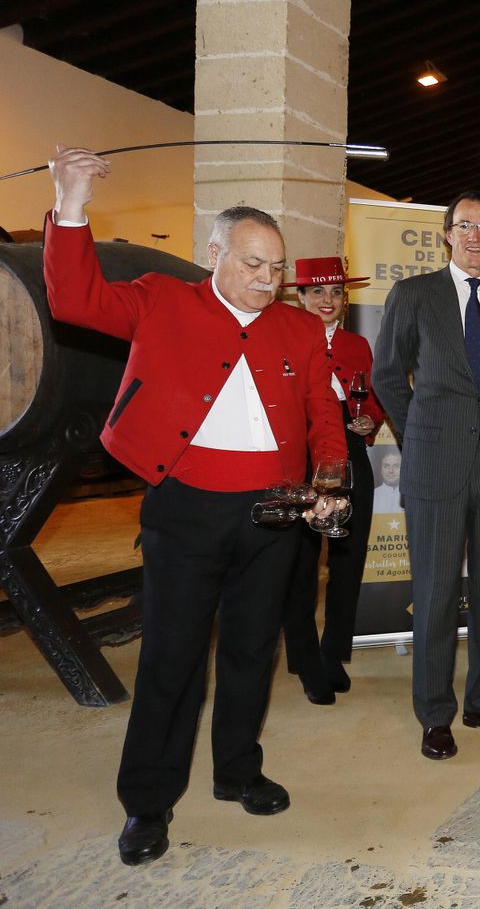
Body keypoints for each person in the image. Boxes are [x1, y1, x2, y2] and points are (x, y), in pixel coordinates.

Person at [43, 147, 346, 866]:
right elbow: (74, 300)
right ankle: (147, 801)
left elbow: (321, 414)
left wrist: (330, 480)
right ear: (214, 255)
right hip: (185, 509)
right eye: (253, 263)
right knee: (171, 657)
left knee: (251, 648)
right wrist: (72, 203)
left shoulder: (301, 330)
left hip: (274, 511)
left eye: (276, 268)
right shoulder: (161, 299)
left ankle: (237, 770)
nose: (268, 280)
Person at [372, 190, 480, 761]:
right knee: (436, 596)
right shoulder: (414, 295)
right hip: (434, 469)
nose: (475, 236)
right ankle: (435, 714)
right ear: (447, 234)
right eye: (465, 225)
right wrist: (421, 434)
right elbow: (387, 376)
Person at [279, 256, 385, 705]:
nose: (328, 300)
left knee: (349, 554)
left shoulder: (357, 344)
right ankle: (305, 659)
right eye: (318, 291)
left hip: (350, 448)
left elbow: (372, 398)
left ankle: (333, 651)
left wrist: (369, 421)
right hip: (300, 450)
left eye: (336, 292)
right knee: (300, 560)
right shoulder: (283, 337)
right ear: (300, 296)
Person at [373, 449, 403, 513]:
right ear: (381, 470)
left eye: (396, 466)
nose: (391, 471)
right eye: (386, 466)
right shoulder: (373, 495)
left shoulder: (409, 496)